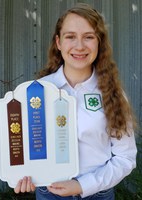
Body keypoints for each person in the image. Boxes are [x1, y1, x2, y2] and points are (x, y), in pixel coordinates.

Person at [14, 3, 137, 200]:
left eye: (88, 37)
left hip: (98, 194)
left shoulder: (112, 93)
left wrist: (82, 185)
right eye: (70, 36)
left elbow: (126, 158)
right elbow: (23, 147)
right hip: (49, 194)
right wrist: (21, 173)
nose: (79, 46)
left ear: (99, 43)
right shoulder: (36, 92)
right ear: (58, 42)